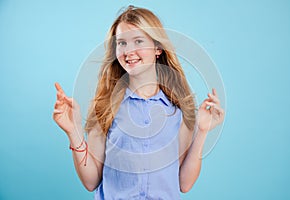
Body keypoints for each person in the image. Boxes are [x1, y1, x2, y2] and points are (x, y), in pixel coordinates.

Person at [53, 5, 224, 200]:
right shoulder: (105, 107)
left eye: (138, 41)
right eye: (122, 43)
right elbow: (91, 181)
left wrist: (202, 131)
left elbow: (184, 184)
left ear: (158, 48)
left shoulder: (178, 110)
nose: (128, 51)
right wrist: (73, 131)